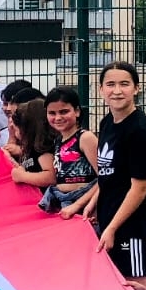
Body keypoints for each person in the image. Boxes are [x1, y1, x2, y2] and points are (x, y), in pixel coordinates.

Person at [77, 61, 146, 286]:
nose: (117, 91)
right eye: (110, 84)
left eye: (124, 84)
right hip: (112, 221)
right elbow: (109, 175)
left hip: (135, 227)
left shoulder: (139, 131)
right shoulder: (107, 123)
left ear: (136, 88)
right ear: (101, 89)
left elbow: (140, 188)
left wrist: (112, 228)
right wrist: (94, 202)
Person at [39, 85, 98, 215]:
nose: (58, 118)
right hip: (63, 201)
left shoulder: (85, 138)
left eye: (64, 112)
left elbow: (105, 178)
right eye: (52, 113)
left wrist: (80, 205)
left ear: (77, 111)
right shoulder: (57, 140)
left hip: (85, 204)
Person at [5, 93, 56, 189]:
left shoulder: (41, 148)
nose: (15, 134)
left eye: (16, 130)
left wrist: (23, 176)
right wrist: (9, 159)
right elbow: (24, 169)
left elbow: (50, 176)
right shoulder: (29, 148)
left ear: (26, 129)